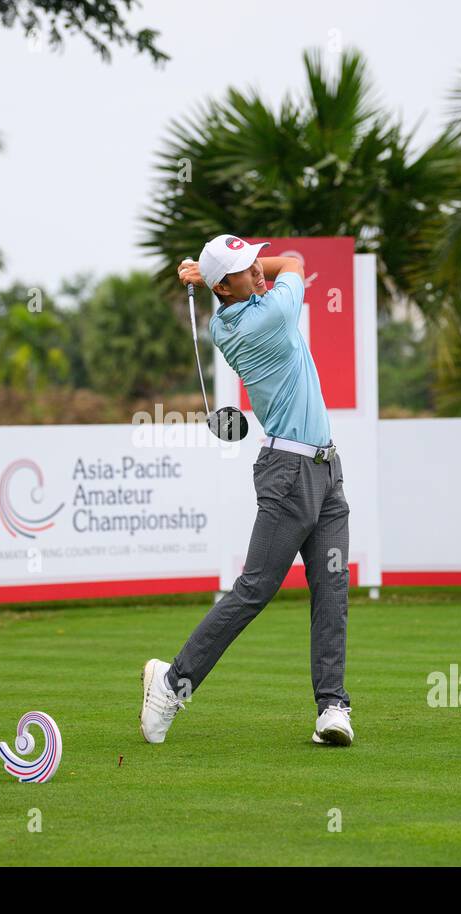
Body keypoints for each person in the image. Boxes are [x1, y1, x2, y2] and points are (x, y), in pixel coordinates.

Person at [139, 234, 353, 746]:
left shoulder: (230, 314)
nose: (258, 270)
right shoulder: (268, 317)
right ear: (223, 287)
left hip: (326, 468)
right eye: (243, 268)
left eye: (254, 260)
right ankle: (172, 683)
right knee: (255, 589)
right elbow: (295, 262)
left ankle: (332, 708)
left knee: (332, 588)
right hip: (288, 474)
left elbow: (270, 269)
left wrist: (217, 271)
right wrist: (211, 271)